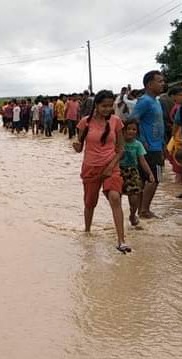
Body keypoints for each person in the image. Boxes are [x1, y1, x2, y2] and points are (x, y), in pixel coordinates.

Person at [72, 90, 130, 253]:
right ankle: (87, 231)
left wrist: (111, 166)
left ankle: (121, 240)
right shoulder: (85, 122)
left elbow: (121, 149)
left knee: (115, 197)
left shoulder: (116, 122)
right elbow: (79, 147)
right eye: (104, 106)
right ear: (96, 105)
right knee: (90, 203)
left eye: (110, 105)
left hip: (111, 166)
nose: (107, 109)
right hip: (91, 168)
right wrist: (76, 146)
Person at [130, 70, 166, 219]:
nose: (163, 84)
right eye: (160, 81)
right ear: (150, 84)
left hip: (157, 145)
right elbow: (132, 120)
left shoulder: (155, 100)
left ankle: (141, 211)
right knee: (154, 179)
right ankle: (144, 210)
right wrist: (141, 140)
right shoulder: (144, 101)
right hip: (151, 148)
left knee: (146, 180)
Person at [119, 118, 155, 226]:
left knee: (134, 198)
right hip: (119, 171)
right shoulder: (118, 143)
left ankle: (132, 214)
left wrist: (150, 173)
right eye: (128, 129)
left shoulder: (138, 144)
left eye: (134, 129)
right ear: (123, 130)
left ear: (137, 132)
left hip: (132, 173)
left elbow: (142, 161)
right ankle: (118, 217)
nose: (131, 131)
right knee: (117, 196)